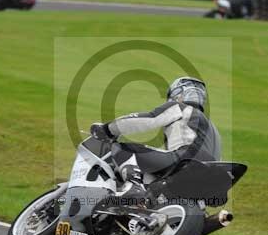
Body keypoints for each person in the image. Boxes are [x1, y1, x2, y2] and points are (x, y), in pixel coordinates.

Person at [90, 77, 221, 202]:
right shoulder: (213, 128)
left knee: (119, 148)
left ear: (179, 94)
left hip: (184, 160)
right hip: (210, 174)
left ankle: (133, 187)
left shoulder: (181, 107)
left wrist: (108, 129)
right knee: (154, 178)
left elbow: (149, 119)